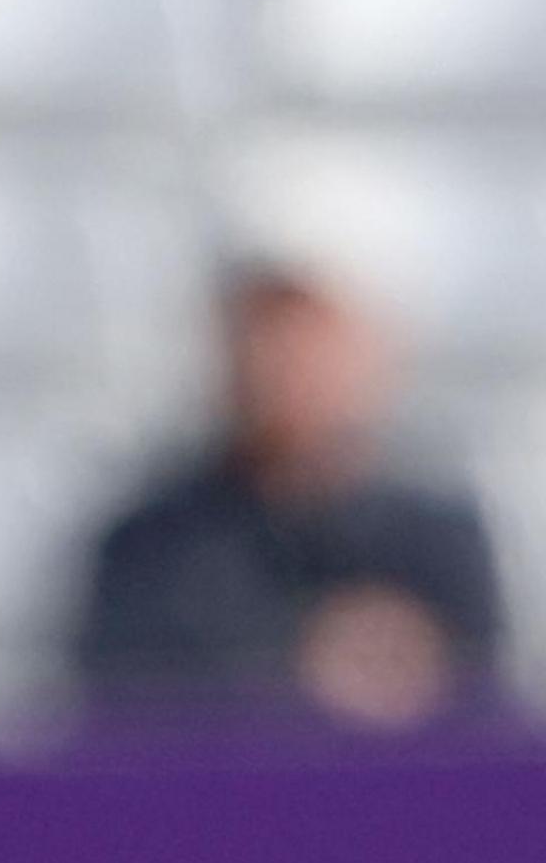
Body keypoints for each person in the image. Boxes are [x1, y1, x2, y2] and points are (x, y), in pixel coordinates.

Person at [76, 264, 508, 733]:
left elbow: (482, 713)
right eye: (267, 332)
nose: (286, 362)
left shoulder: (441, 539)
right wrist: (298, 662)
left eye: (312, 336)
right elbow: (125, 712)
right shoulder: (150, 544)